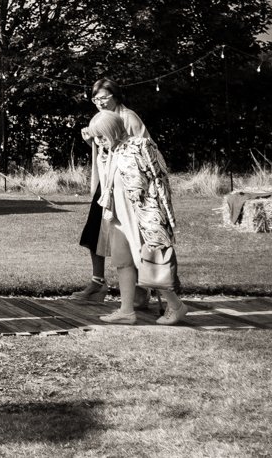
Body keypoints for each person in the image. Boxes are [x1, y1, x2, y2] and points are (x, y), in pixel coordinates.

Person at [87, 109, 187, 325]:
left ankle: (176, 306)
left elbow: (159, 181)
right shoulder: (109, 153)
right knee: (123, 262)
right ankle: (126, 310)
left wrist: (160, 216)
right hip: (118, 216)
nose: (99, 141)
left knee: (148, 262)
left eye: (102, 136)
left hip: (140, 215)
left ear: (113, 131)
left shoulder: (140, 146)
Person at [72, 78, 150, 304]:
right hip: (106, 186)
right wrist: (91, 143)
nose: (99, 103)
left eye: (104, 98)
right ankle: (98, 283)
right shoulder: (100, 119)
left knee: (130, 237)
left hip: (126, 188)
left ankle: (140, 288)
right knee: (93, 232)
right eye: (95, 99)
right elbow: (107, 152)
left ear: (116, 96)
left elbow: (142, 149)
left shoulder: (129, 118)